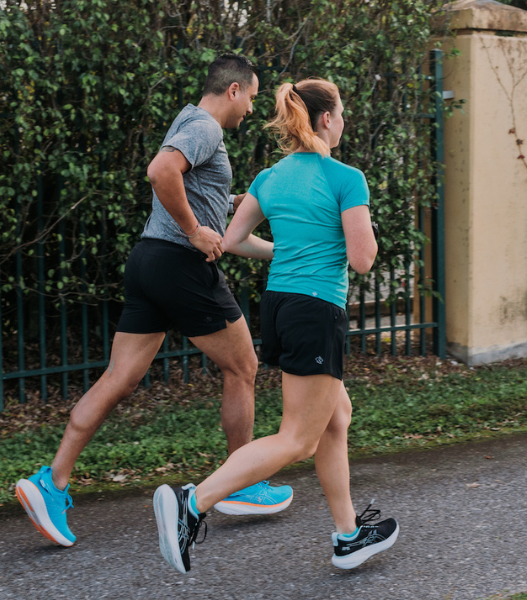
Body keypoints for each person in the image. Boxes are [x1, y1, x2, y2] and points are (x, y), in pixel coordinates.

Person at [15, 54, 294, 548]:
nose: (252, 108)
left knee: (119, 378)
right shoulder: (206, 126)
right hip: (179, 264)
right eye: (251, 96)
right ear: (233, 90)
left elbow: (188, 184)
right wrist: (193, 230)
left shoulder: (188, 121)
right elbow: (160, 171)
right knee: (244, 367)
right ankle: (243, 483)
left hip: (148, 260)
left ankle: (50, 482)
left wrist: (235, 203)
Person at [153, 78, 399, 574]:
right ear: (326, 119)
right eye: (342, 113)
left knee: (335, 417)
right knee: (297, 438)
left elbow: (234, 239)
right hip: (315, 309)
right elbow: (364, 258)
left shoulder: (270, 177)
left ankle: (348, 535)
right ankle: (192, 502)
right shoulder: (346, 177)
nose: (344, 121)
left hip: (280, 307)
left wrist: (286, 249)